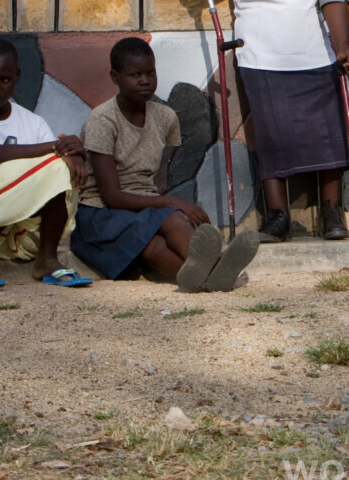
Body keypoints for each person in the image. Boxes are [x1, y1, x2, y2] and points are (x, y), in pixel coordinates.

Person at [189, 0, 349, 243]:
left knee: (328, 136)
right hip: (260, 58)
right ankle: (277, 217)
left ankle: (332, 214)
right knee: (271, 138)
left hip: (314, 55)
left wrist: (342, 45)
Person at [70, 37, 260, 291]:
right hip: (101, 215)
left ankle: (207, 278)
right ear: (115, 77)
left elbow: (158, 177)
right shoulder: (102, 121)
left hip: (139, 209)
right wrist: (171, 203)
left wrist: (167, 204)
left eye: (150, 73)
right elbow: (112, 196)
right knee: (161, 229)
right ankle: (215, 272)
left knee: (161, 232)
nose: (145, 80)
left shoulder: (165, 116)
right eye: (135, 74)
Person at [0, 39, 90, 291]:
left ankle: (47, 259)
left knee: (58, 169)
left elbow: (56, 166)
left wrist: (73, 154)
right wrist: (59, 146)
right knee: (9, 169)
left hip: (21, 237)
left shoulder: (33, 123)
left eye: (4, 80)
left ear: (17, 77)